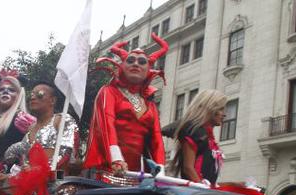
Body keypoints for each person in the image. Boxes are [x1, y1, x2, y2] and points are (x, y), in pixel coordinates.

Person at [84, 33, 169, 175]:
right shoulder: (108, 92)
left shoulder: (151, 105)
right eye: (130, 60)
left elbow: (156, 139)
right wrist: (116, 159)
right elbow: (106, 124)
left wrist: (160, 169)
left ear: (148, 70)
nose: (136, 64)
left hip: (137, 176)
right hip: (107, 171)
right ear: (122, 66)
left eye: (142, 62)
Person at [170, 90, 227, 185]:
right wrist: (204, 190)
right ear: (210, 108)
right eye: (220, 109)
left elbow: (209, 183)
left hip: (201, 193)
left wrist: (235, 185)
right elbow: (188, 168)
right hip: (193, 194)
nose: (224, 114)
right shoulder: (194, 131)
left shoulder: (208, 137)